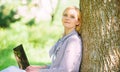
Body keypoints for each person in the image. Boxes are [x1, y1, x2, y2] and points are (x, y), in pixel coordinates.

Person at [1, 6, 82, 72]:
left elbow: (65, 70)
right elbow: (56, 66)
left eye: (72, 17)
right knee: (13, 68)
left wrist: (38, 71)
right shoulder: (64, 39)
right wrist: (37, 67)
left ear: (78, 22)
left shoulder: (73, 41)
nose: (67, 18)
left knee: (10, 70)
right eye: (65, 15)